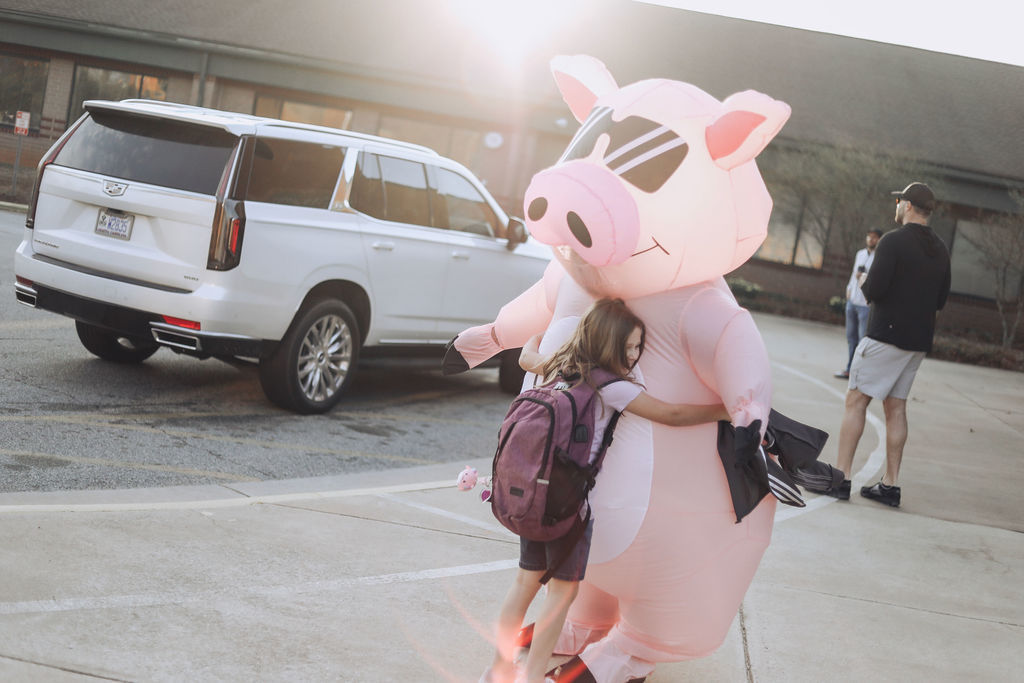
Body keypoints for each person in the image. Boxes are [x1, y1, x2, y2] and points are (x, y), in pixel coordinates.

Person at [482, 298, 729, 683]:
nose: (634, 355)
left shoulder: (562, 367)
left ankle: (496, 670)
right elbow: (671, 414)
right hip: (567, 508)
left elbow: (527, 360)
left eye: (637, 347)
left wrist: (535, 339)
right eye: (629, 347)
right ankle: (530, 677)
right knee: (561, 596)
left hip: (532, 494)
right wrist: (724, 410)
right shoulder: (612, 387)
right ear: (607, 344)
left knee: (524, 582)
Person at [822, 182, 950, 507]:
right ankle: (890, 486)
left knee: (856, 401)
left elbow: (872, 291)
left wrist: (865, 281)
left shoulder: (893, 242)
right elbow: (940, 300)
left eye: (899, 200)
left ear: (907, 206)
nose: (896, 205)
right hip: (918, 342)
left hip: (885, 336)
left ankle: (841, 478)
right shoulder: (940, 249)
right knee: (896, 407)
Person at [834, 228, 883, 379]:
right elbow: (853, 274)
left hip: (865, 304)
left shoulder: (880, 257)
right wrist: (849, 288)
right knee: (851, 337)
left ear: (879, 240)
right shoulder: (860, 254)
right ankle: (850, 368)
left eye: (874, 238)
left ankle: (861, 372)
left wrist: (865, 276)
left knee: (863, 340)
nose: (871, 240)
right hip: (853, 300)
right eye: (869, 237)